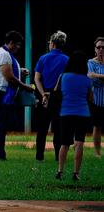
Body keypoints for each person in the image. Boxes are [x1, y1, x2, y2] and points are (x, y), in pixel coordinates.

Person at [0, 31, 34, 161]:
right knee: (0, 124)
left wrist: (20, 70)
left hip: (2, 92)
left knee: (2, 124)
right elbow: (9, 77)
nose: (19, 47)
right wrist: (26, 87)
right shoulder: (3, 54)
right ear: (11, 43)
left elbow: (9, 71)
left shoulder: (6, 54)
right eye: (18, 45)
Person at [56, 52, 92, 181]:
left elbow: (57, 92)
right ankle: (76, 173)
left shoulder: (63, 77)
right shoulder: (87, 79)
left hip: (65, 113)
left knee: (64, 143)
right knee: (79, 143)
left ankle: (60, 171)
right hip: (82, 113)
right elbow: (90, 97)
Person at [33, 31, 69, 161]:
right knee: (58, 128)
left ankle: (39, 156)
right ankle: (57, 157)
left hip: (45, 94)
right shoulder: (67, 59)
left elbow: (37, 78)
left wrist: (43, 94)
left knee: (42, 128)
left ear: (52, 44)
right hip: (60, 96)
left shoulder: (43, 58)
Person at [87, 37, 104, 158]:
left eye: (103, 47)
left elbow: (95, 76)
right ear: (95, 49)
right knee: (97, 127)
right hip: (97, 100)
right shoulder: (91, 62)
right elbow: (90, 76)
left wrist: (98, 76)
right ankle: (97, 152)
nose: (101, 49)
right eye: (99, 47)